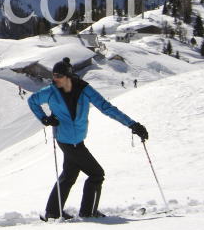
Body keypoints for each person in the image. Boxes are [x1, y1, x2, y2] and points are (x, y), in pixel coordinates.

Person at [28, 57, 148, 219]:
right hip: (67, 141)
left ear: (68, 77)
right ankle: (88, 212)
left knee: (70, 175)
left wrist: (132, 125)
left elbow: (106, 107)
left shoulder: (84, 90)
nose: (54, 79)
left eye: (58, 76)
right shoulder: (50, 92)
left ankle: (53, 213)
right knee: (97, 174)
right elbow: (32, 101)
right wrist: (45, 119)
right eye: (53, 75)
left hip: (77, 140)